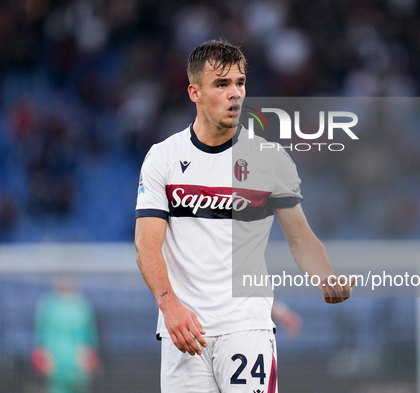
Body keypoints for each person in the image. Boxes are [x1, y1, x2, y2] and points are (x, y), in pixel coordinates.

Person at [134, 39, 355, 393]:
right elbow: (147, 243)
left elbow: (300, 237)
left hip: (246, 327)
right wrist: (169, 306)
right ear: (195, 92)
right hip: (184, 330)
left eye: (240, 83)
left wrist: (326, 277)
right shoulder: (164, 158)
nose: (234, 94)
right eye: (221, 85)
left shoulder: (268, 158)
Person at [33, 275, 99, 393]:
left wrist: (87, 356)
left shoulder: (83, 305)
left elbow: (90, 337)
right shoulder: (48, 305)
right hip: (55, 363)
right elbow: (41, 336)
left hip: (78, 365)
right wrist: (44, 355)